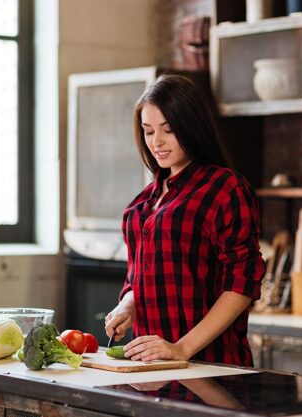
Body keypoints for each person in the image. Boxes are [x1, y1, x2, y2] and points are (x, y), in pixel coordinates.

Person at [104, 75, 266, 367]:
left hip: (212, 366)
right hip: (150, 367)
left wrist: (181, 348)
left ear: (192, 126)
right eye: (148, 131)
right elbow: (137, 277)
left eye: (169, 129)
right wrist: (129, 303)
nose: (157, 142)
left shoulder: (225, 188)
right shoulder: (141, 205)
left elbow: (242, 284)